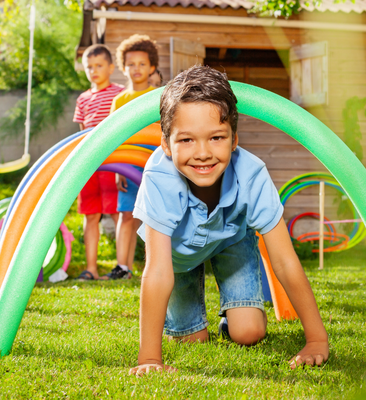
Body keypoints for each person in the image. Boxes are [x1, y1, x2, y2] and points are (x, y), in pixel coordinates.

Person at [129, 66, 329, 375]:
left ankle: (234, 316)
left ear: (234, 139)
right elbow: (156, 272)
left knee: (248, 333)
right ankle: (190, 323)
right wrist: (149, 358)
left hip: (230, 241)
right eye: (186, 140)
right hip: (177, 257)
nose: (203, 153)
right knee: (192, 340)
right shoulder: (159, 178)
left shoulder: (252, 174)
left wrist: (316, 339)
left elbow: (285, 262)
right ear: (166, 144)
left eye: (216, 137)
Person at [103, 34, 160, 280]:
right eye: (131, 64)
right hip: (128, 167)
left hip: (153, 166)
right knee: (126, 215)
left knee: (154, 218)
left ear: (152, 68)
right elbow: (115, 137)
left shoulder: (158, 97)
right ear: (123, 68)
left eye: (142, 64)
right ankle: (122, 267)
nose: (136, 69)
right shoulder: (120, 100)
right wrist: (118, 170)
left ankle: (155, 266)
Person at [73, 44, 124, 281]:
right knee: (91, 215)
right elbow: (81, 133)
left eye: (99, 66)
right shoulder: (83, 99)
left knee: (117, 213)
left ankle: (120, 267)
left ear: (111, 67)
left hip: (113, 162)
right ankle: (91, 268)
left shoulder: (120, 93)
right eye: (89, 67)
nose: (93, 71)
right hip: (90, 164)